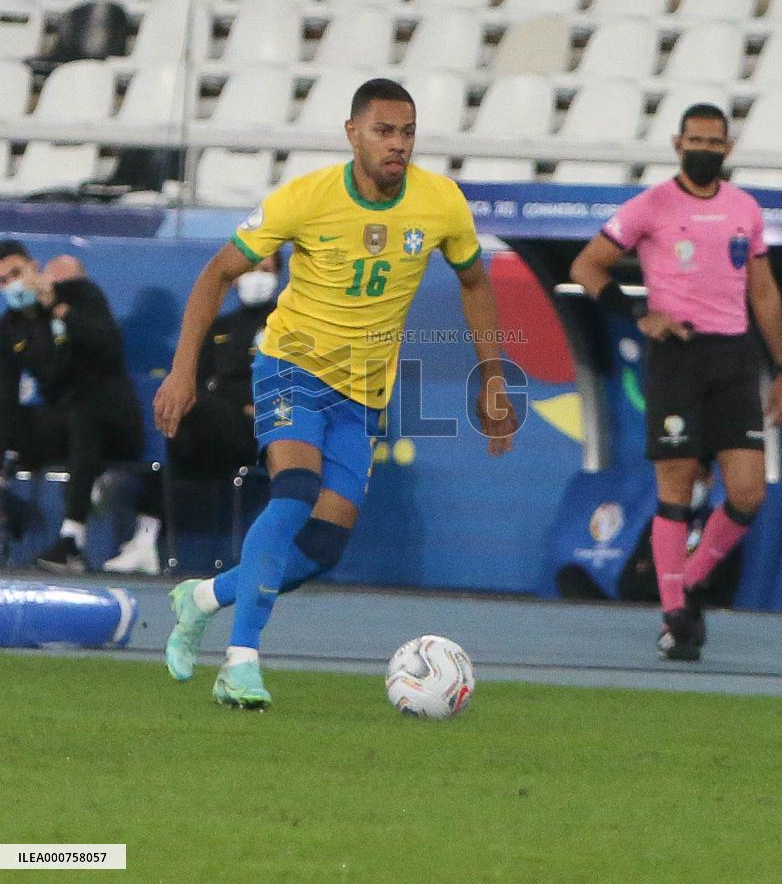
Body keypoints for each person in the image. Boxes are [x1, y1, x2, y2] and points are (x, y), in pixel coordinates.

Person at [154, 77, 520, 708]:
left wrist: (492, 374)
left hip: (365, 391)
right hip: (290, 365)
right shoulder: (306, 199)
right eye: (383, 131)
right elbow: (219, 272)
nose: (397, 145)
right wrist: (183, 369)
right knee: (294, 490)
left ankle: (203, 597)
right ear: (353, 133)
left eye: (407, 133)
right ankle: (240, 663)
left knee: (322, 547)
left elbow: (474, 282)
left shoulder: (440, 203)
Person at [570, 102, 782, 661]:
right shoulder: (651, 205)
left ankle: (685, 584)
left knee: (747, 491)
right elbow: (587, 265)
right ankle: (675, 617)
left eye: (715, 143)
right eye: (696, 141)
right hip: (676, 357)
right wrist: (637, 314)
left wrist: (781, 366)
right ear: (677, 143)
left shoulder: (745, 209)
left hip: (733, 359)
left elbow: (763, 292)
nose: (705, 150)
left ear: (728, 149)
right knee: (678, 487)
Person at [102, 258, 280, 575]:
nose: (257, 277)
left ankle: (144, 533)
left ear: (278, 276)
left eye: (266, 270)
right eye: (250, 269)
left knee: (180, 411)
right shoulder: (219, 326)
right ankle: (145, 541)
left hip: (256, 432)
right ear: (236, 278)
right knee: (176, 420)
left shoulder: (285, 324)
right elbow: (196, 380)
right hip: (207, 432)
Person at [0, 241, 143, 573]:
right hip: (63, 423)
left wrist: (57, 308)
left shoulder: (79, 294)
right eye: (3, 281)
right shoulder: (10, 327)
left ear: (35, 267)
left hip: (113, 421)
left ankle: (72, 540)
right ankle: (8, 508)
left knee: (82, 416)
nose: (12, 285)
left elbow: (108, 345)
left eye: (16, 273)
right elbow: (6, 395)